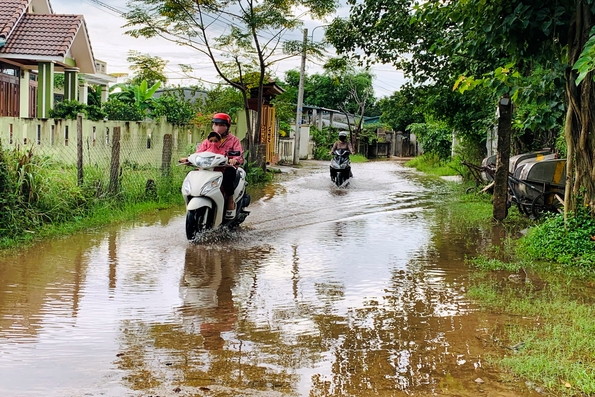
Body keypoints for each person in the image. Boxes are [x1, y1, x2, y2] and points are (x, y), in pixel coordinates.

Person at [182, 113, 244, 219]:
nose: (218, 127)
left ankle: (230, 200)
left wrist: (235, 160)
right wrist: (189, 159)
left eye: (221, 124)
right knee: (192, 175)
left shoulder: (234, 140)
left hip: (225, 168)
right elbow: (199, 152)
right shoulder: (207, 140)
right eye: (215, 124)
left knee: (229, 176)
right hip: (208, 168)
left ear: (227, 126)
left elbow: (239, 154)